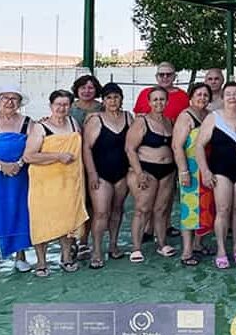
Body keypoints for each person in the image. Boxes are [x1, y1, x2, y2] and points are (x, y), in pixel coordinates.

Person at [24, 90, 88, 276]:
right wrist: (58, 156)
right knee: (41, 221)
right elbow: (28, 156)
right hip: (44, 184)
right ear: (51, 106)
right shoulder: (40, 128)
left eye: (66, 104)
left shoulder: (73, 123)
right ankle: (41, 262)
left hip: (70, 182)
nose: (62, 108)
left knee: (68, 220)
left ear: (71, 106)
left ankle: (66, 258)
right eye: (58, 104)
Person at [196, 82, 236, 269]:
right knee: (223, 210)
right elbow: (199, 145)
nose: (232, 97)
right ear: (222, 97)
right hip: (220, 171)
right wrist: (205, 171)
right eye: (228, 94)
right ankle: (221, 250)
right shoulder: (213, 117)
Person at [81, 83, 132, 269]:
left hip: (122, 172)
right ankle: (96, 250)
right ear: (103, 101)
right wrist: (92, 174)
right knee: (101, 213)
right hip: (101, 173)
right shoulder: (95, 119)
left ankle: (113, 245)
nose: (113, 101)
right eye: (109, 98)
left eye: (116, 97)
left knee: (117, 209)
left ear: (121, 99)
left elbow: (133, 145)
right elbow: (86, 148)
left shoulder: (128, 117)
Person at [0, 86, 33, 278]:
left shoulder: (28, 122)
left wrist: (18, 164)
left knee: (20, 212)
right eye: (6, 98)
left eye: (14, 99)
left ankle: (20, 257)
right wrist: (2, 166)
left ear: (19, 103)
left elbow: (34, 148)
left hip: (20, 177)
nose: (10, 102)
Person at [125, 86, 177, 263]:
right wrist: (139, 172)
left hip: (167, 170)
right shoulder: (141, 122)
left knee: (161, 209)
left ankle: (162, 244)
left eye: (162, 99)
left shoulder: (169, 122)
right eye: (155, 99)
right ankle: (136, 248)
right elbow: (130, 149)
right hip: (147, 169)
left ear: (167, 102)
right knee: (143, 209)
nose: (158, 103)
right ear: (149, 102)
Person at [172, 83, 215, 267]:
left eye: (205, 95)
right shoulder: (185, 116)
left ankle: (198, 244)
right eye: (199, 94)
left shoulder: (208, 115)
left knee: (204, 208)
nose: (202, 98)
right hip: (191, 169)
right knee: (189, 210)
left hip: (207, 167)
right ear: (191, 96)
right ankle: (187, 251)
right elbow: (177, 146)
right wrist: (183, 171)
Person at [69, 74, 104, 260]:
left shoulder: (103, 108)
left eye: (91, 87)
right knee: (72, 201)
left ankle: (83, 241)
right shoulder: (68, 108)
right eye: (83, 87)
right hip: (72, 161)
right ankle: (71, 241)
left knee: (90, 203)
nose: (87, 91)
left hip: (96, 160)